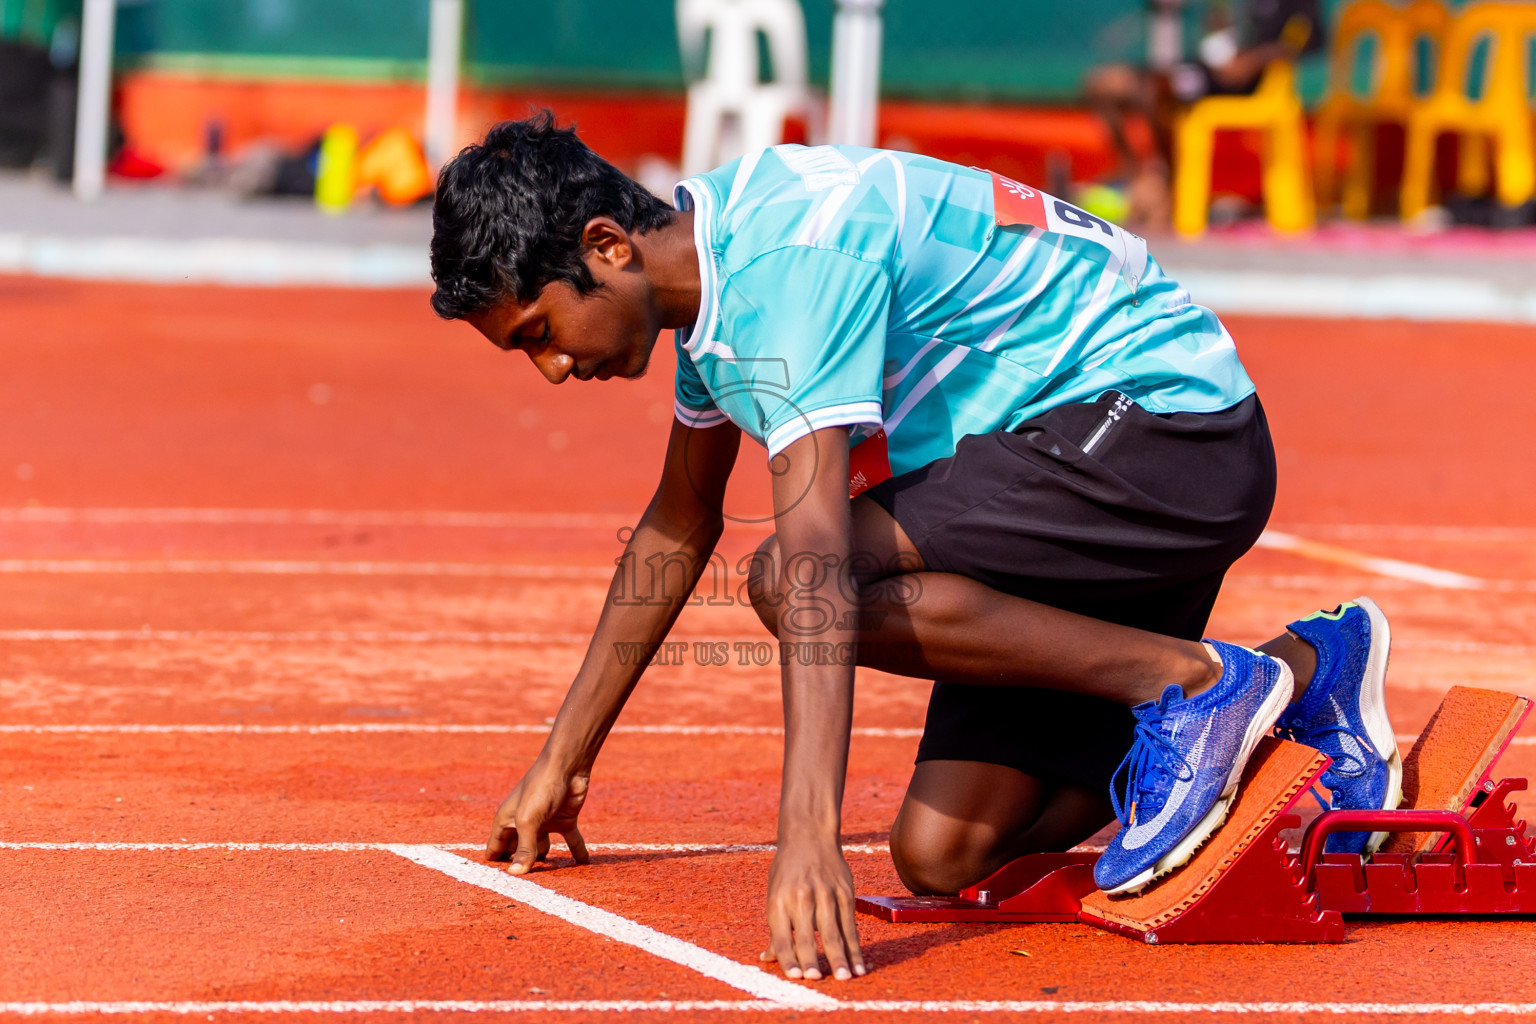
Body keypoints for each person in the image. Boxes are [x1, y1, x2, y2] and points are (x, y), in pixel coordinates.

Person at [427, 113, 1401, 981]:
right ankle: (1302, 670)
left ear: (606, 247)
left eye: (540, 331)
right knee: (950, 853)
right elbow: (679, 522)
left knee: (796, 574)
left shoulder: (790, 258)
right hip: (1069, 476)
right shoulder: (708, 295)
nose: (553, 368)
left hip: (1169, 432)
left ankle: (1192, 685)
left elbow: (812, 566)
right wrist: (565, 757)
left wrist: (806, 839)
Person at [1084, 0, 1324, 227]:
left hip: (1235, 82)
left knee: (1154, 91)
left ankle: (1161, 182)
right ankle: (1137, 176)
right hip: (1195, 64)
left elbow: (1312, 41)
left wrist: (1250, 62)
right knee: (1103, 84)